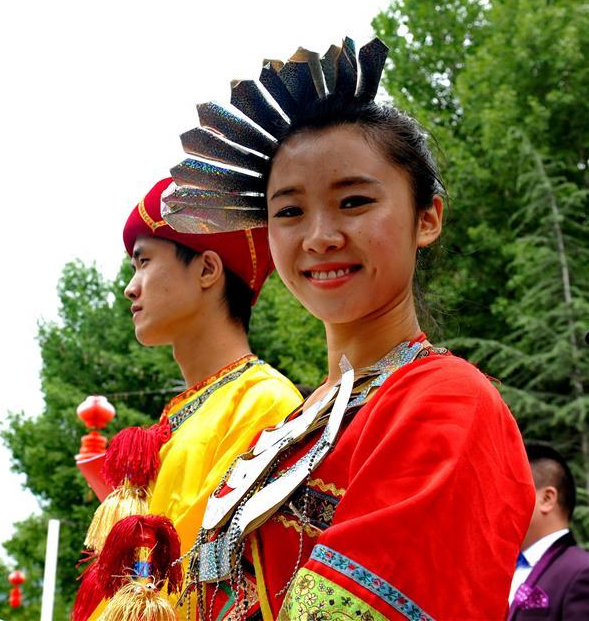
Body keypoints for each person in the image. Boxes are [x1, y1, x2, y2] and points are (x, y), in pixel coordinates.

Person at [160, 37, 535, 620]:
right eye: (288, 211)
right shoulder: (295, 425)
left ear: (427, 217)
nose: (319, 237)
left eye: (354, 201)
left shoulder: (447, 403)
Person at [72, 178, 303, 620]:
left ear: (207, 270)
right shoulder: (181, 414)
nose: (130, 287)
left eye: (144, 263)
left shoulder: (264, 402)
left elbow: (209, 582)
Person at [508, 443, 589, 620]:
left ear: (546, 499)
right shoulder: (503, 570)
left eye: (510, 492)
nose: (501, 504)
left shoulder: (581, 571)